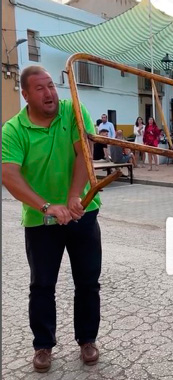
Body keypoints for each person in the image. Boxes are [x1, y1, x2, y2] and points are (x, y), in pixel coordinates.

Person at [2, 66, 102, 372]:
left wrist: (74, 197)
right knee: (42, 285)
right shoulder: (13, 129)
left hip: (82, 211)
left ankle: (87, 339)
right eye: (41, 89)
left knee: (88, 282)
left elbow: (82, 152)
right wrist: (47, 206)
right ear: (26, 95)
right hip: (40, 221)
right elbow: (9, 175)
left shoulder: (73, 108)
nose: (50, 94)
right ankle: (43, 345)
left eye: (51, 86)